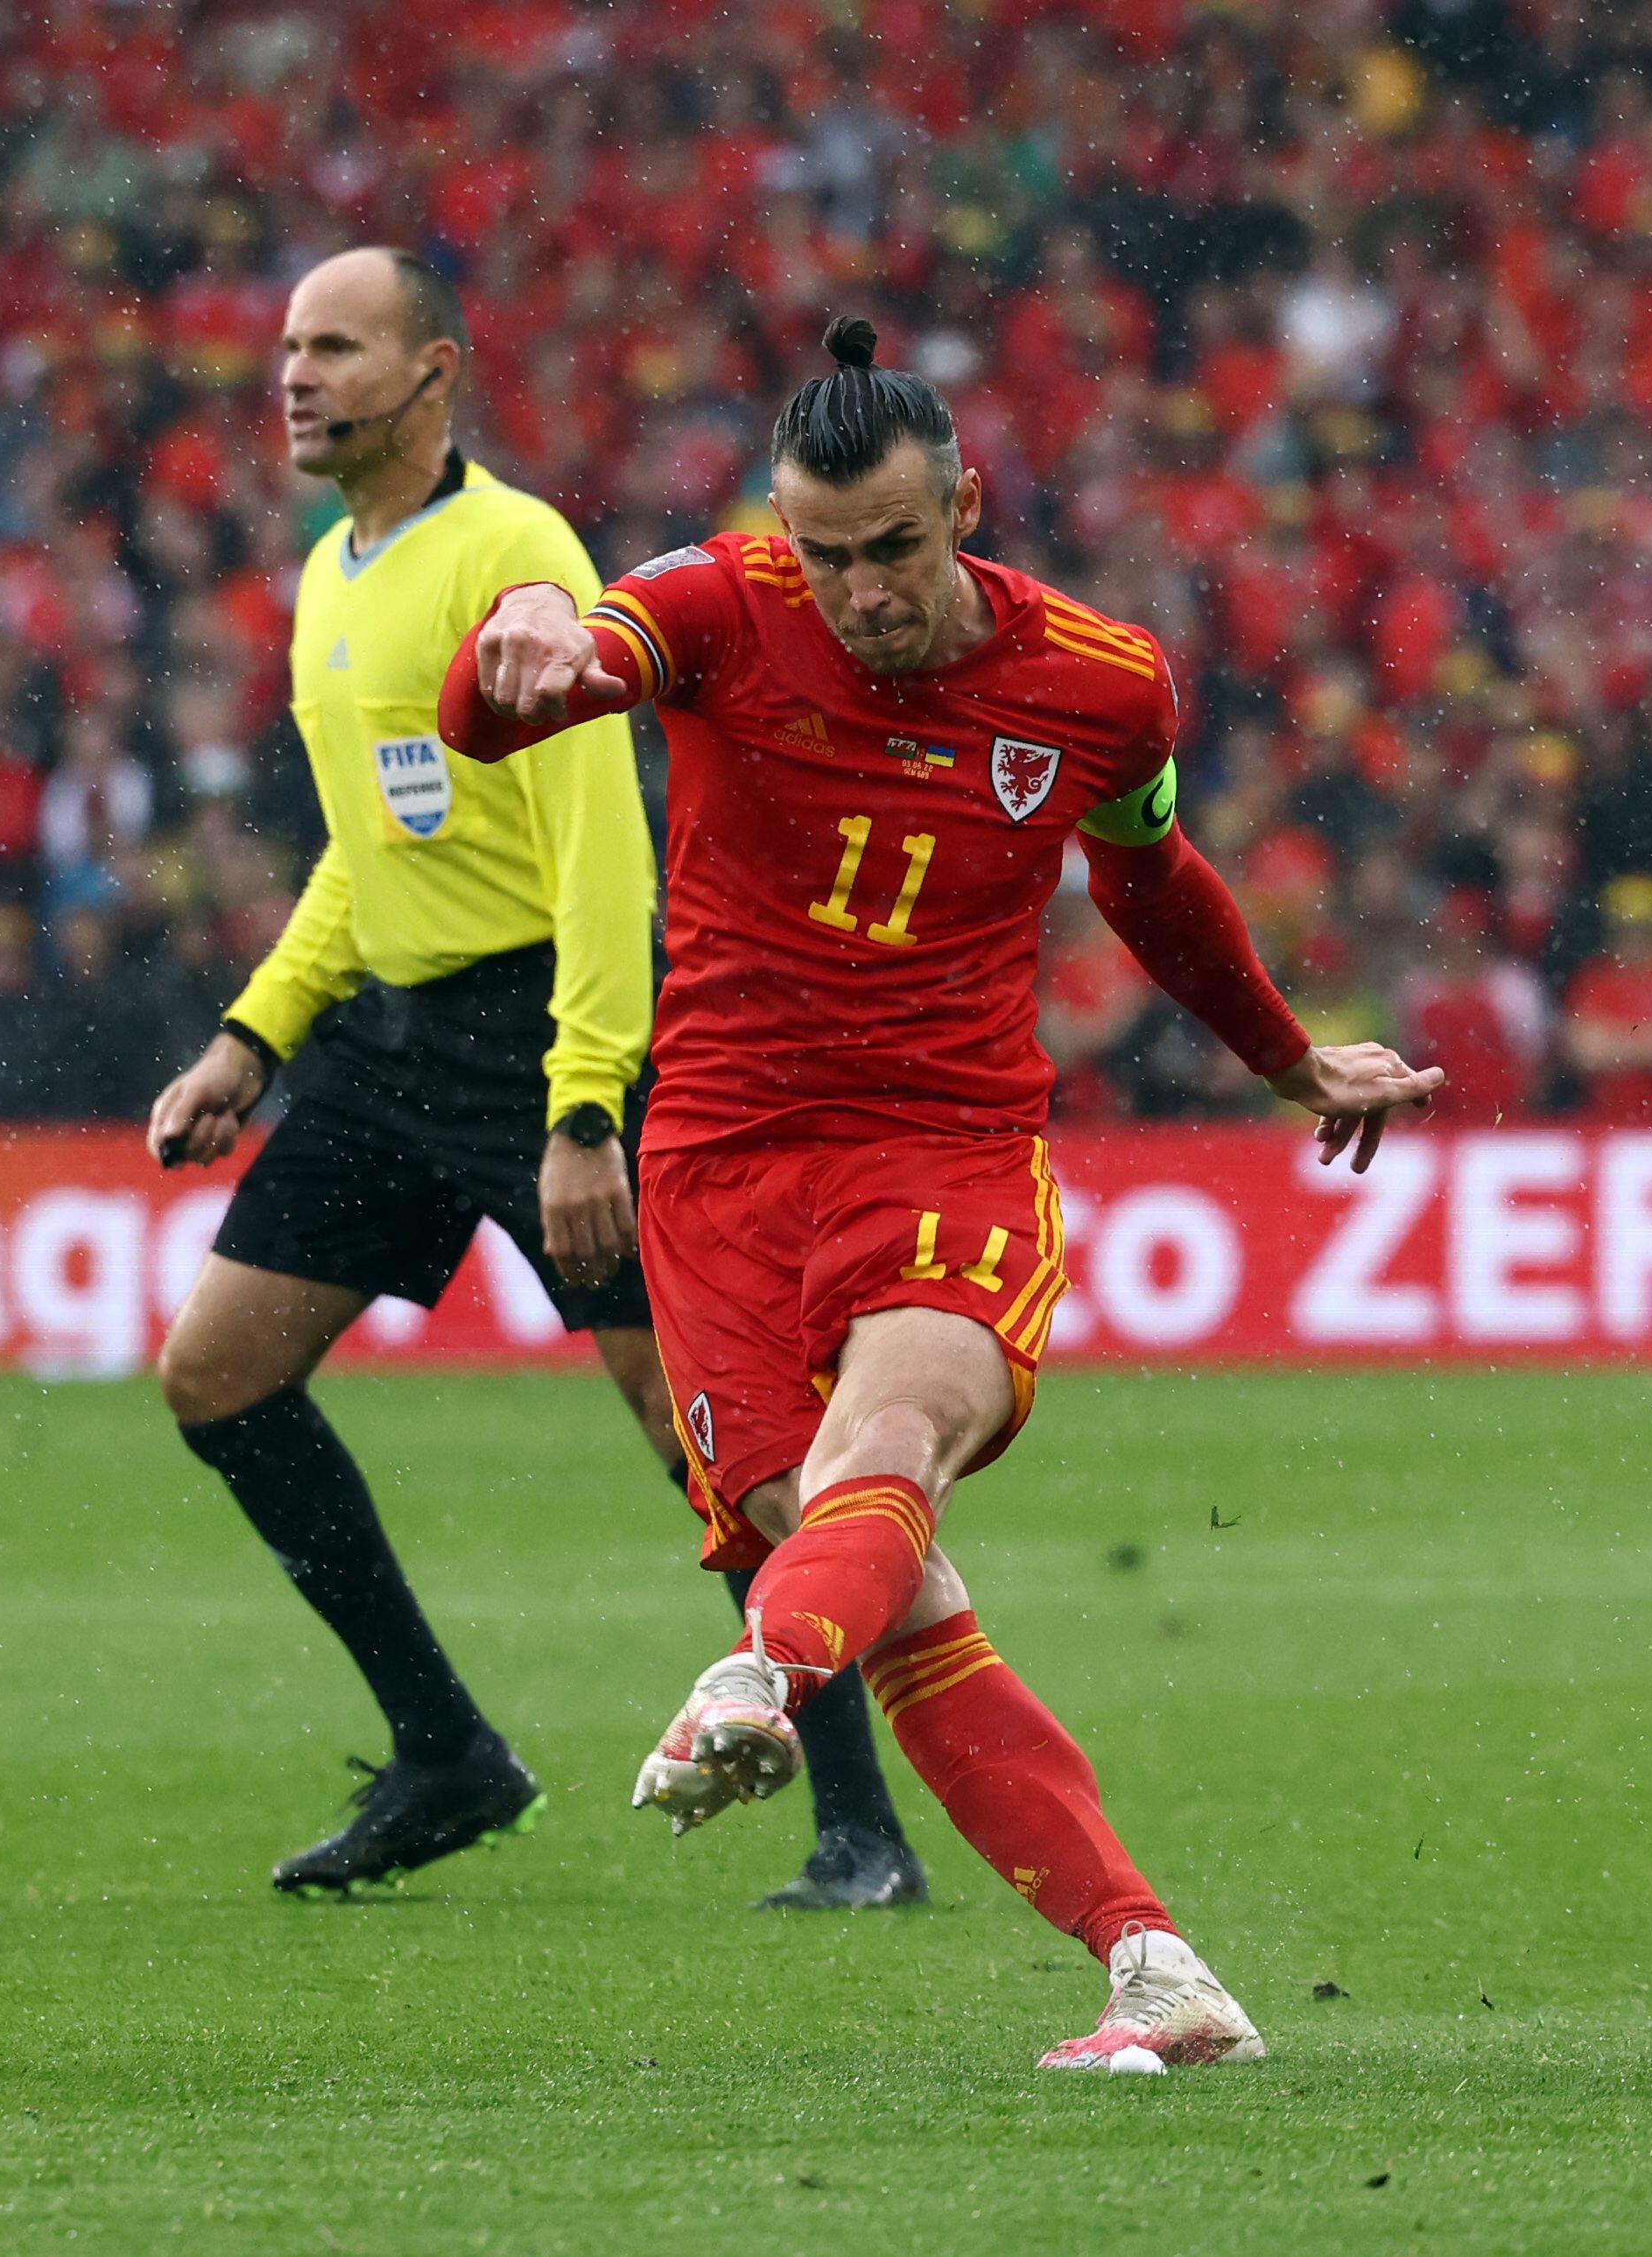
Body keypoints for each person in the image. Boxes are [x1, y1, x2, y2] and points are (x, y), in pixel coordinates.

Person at [442, 319, 1439, 2070]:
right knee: (884, 1586)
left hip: (945, 1142)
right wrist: (511, 640)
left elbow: (1151, 884)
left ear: (961, 504)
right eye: (821, 554)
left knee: (880, 1453)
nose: (855, 592)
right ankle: (1151, 1967)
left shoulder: (1097, 681)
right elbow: (511, 698)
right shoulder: (708, 606)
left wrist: (1286, 1062)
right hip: (721, 1164)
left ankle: (756, 1673)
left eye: (892, 548)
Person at [147, 250, 925, 1905]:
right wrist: (254, 1033)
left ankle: (860, 1822)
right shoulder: (326, 574)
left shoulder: (513, 554)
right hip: (385, 1052)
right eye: (286, 345)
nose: (294, 374)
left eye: (335, 348)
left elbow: (598, 855)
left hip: (542, 1041)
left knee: (707, 1437)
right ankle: (445, 1750)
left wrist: (586, 1106)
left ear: (433, 372)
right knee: (213, 1372)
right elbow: (365, 856)